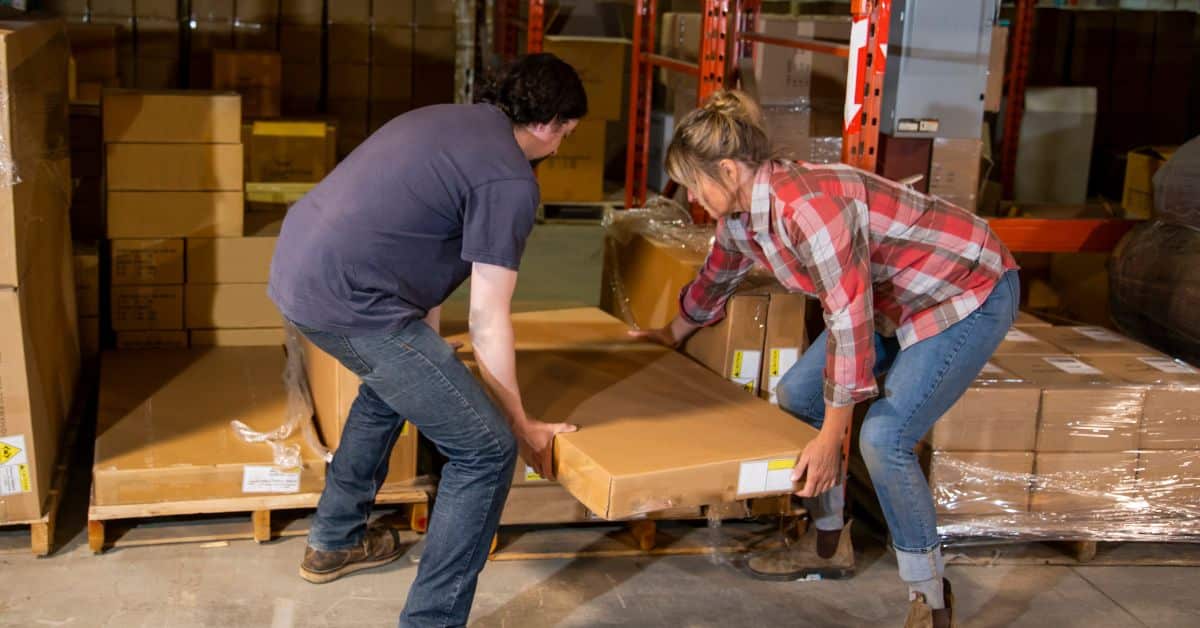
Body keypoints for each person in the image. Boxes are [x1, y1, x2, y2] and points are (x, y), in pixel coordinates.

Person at [632, 90, 1018, 628]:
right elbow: (717, 277)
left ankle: (928, 599)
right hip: (891, 300)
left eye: (695, 183)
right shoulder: (741, 219)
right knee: (795, 394)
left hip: (962, 288)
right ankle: (829, 542)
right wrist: (669, 334)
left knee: (883, 439)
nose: (693, 196)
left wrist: (834, 433)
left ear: (726, 170)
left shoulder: (807, 208)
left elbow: (847, 318)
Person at [267, 54, 585, 627]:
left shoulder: (446, 120)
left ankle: (335, 539)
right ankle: (432, 621)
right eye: (565, 133)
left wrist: (427, 352)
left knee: (396, 382)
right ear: (545, 123)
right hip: (349, 300)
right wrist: (520, 421)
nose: (560, 148)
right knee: (486, 450)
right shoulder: (509, 179)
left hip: (301, 269)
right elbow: (489, 318)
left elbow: (413, 244)